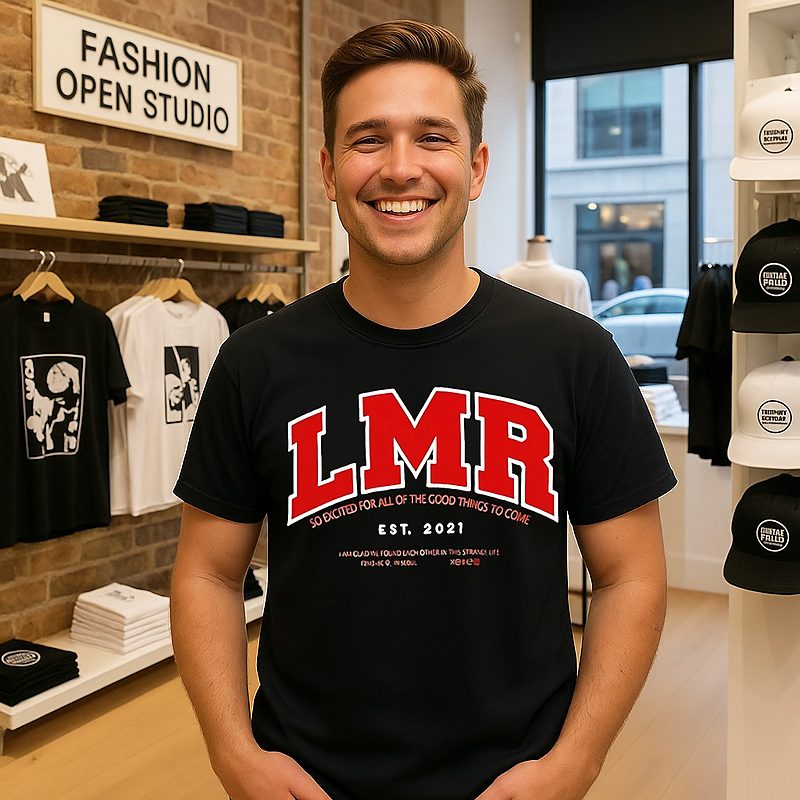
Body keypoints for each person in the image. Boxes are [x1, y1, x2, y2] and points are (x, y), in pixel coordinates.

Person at [170, 20, 676, 800]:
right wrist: (232, 752)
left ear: (476, 167)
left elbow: (629, 574)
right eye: (368, 139)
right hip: (306, 777)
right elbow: (207, 572)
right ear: (329, 170)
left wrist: (577, 759)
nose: (400, 168)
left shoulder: (574, 355)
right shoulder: (256, 362)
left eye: (432, 137)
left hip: (516, 777)